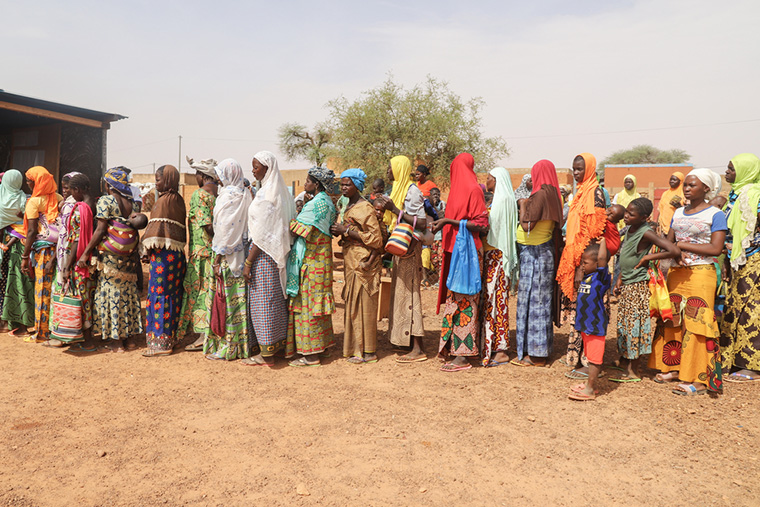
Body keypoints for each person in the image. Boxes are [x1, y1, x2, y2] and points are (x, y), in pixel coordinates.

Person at [649, 169, 726, 395]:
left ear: (706, 189)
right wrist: (673, 251)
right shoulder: (679, 212)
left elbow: (716, 248)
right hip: (677, 272)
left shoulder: (715, 214)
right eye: (686, 185)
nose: (687, 188)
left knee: (698, 323)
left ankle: (699, 378)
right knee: (673, 320)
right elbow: (669, 242)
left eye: (693, 185)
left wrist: (681, 247)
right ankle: (674, 367)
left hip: (701, 273)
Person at [612, 197, 680, 381]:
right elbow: (627, 256)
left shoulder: (646, 232)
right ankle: (626, 362)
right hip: (627, 283)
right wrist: (619, 278)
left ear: (643, 217)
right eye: (626, 212)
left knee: (636, 327)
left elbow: (673, 250)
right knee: (625, 326)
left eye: (630, 214)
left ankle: (634, 371)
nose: (625, 216)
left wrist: (648, 258)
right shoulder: (630, 230)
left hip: (638, 285)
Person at [433, 153, 489, 372]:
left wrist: (448, 221)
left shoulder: (474, 190)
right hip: (455, 252)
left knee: (466, 300)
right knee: (455, 300)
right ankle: (455, 348)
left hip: (468, 254)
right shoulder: (456, 191)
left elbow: (482, 225)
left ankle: (463, 356)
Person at [78, 168, 144, 352]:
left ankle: (116, 342)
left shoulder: (106, 201)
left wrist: (86, 252)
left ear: (108, 185)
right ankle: (129, 339)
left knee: (111, 295)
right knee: (128, 294)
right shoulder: (132, 203)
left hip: (111, 258)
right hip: (129, 257)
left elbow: (100, 229)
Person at [241, 151, 295, 366]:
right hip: (275, 258)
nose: (253, 170)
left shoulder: (268, 197)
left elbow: (261, 237)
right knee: (275, 303)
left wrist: (248, 262)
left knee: (263, 304)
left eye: (256, 167)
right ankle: (276, 347)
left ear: (267, 168)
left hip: (262, 259)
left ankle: (267, 355)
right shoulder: (276, 193)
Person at [557, 153, 608, 374]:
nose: (576, 173)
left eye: (579, 169)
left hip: (588, 264)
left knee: (587, 309)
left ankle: (589, 362)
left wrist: (580, 267)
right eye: (574, 169)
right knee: (577, 310)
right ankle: (575, 356)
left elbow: (595, 234)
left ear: (589, 169)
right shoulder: (579, 193)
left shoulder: (595, 193)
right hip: (577, 258)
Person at [376, 155, 428, 362]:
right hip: (400, 250)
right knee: (402, 296)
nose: (387, 171)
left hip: (410, 251)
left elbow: (422, 223)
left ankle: (418, 348)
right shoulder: (397, 189)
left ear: (399, 169)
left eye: (390, 167)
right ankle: (405, 340)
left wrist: (394, 210)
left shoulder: (411, 191)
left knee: (411, 296)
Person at [512, 160, 564, 367]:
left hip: (534, 254)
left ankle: (537, 355)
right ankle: (538, 350)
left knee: (534, 304)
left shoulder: (540, 194)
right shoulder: (554, 194)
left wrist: (523, 203)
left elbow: (527, 226)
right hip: (543, 252)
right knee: (540, 302)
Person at [330, 168, 384, 364]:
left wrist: (348, 231)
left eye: (348, 184)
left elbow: (376, 239)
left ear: (357, 186)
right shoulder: (349, 206)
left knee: (364, 305)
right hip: (350, 259)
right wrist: (341, 232)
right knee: (352, 305)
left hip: (363, 263)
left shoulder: (365, 208)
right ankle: (355, 348)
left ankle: (368, 351)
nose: (343, 187)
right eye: (342, 184)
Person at [285, 166, 337, 367]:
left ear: (316, 184)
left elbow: (300, 230)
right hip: (321, 261)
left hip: (312, 262)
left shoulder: (317, 204)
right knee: (317, 304)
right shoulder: (327, 202)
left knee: (308, 305)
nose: (305, 184)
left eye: (307, 181)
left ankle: (311, 354)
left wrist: (286, 221)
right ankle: (321, 347)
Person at [204, 159, 252, 361]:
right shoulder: (246, 195)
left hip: (226, 259)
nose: (217, 178)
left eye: (220, 174)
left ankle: (227, 347)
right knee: (239, 304)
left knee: (224, 304)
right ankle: (241, 347)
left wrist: (216, 260)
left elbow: (223, 233)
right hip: (243, 258)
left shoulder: (227, 198)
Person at [721, 153, 760, 381]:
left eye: (731, 169)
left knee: (752, 309)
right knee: (735, 308)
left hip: (754, 260)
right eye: (727, 168)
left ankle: (752, 365)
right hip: (737, 260)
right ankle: (735, 360)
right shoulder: (735, 196)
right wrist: (727, 260)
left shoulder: (755, 196)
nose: (727, 172)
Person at [141, 165, 187, 357]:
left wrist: (144, 250)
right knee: (172, 297)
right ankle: (171, 338)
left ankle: (161, 343)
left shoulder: (163, 202)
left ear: (167, 180)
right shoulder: (179, 200)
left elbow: (154, 233)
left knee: (159, 296)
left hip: (162, 259)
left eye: (158, 179)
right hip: (176, 258)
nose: (156, 183)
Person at [178, 157, 219, 352]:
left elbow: (207, 226)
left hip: (201, 253)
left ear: (203, 176)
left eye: (197, 175)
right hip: (213, 252)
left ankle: (203, 335)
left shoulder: (199, 195)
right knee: (210, 292)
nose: (196, 178)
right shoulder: (217, 195)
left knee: (200, 293)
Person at [480, 167, 518, 367]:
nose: (486, 181)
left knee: (496, 302)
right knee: (498, 302)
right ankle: (498, 345)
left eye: (489, 178)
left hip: (495, 255)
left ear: (497, 180)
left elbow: (490, 229)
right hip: (498, 256)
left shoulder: (501, 202)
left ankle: (501, 350)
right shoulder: (506, 200)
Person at [21, 166, 62, 345]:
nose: (28, 183)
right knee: (54, 289)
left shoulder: (34, 202)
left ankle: (42, 331)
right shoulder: (58, 198)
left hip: (43, 252)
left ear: (36, 182)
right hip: (59, 250)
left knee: (42, 290)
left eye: (30, 180)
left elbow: (31, 232)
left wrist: (24, 256)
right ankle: (56, 328)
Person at [59, 174, 97, 352]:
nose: (71, 194)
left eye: (72, 190)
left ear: (78, 190)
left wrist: (67, 266)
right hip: (92, 260)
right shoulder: (95, 204)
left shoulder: (81, 208)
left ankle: (87, 340)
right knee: (87, 296)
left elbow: (76, 240)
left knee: (82, 299)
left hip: (80, 260)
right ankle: (86, 337)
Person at [568, 240, 610, 401]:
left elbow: (602, 259)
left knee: (594, 359)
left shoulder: (601, 277)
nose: (582, 266)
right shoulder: (588, 278)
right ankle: (588, 384)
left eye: (585, 263)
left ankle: (590, 389)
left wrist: (604, 241)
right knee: (590, 356)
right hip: (586, 326)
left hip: (595, 326)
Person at [0, 169, 34, 336]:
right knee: (18, 284)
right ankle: (15, 322)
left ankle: (12, 323)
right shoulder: (25, 200)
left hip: (10, 246)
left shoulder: (1, 198)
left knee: (10, 283)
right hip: (21, 245)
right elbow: (27, 225)